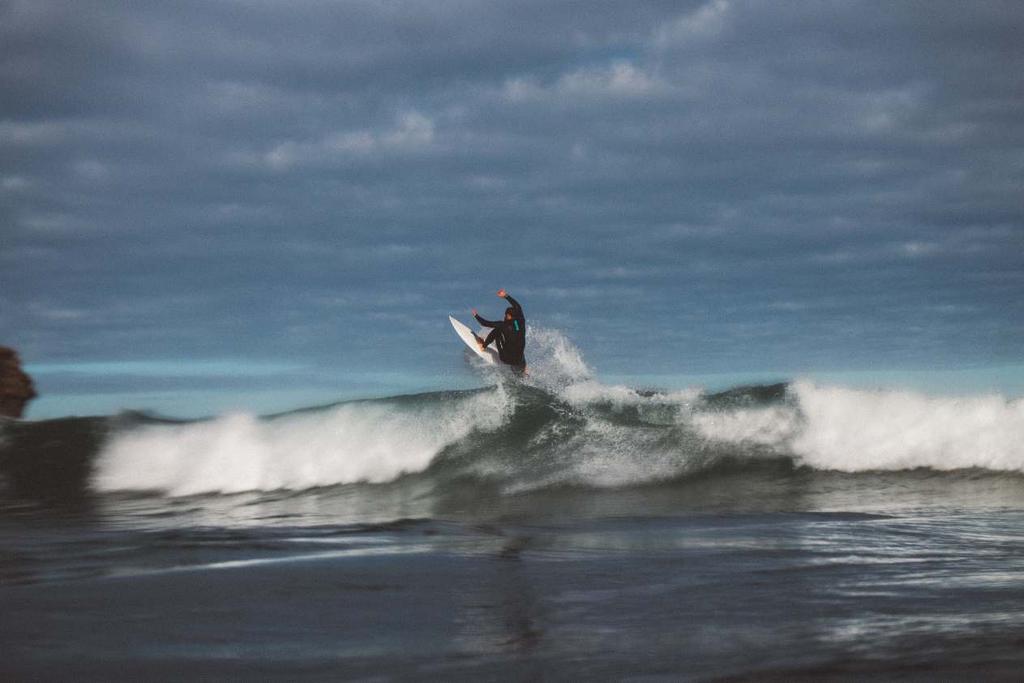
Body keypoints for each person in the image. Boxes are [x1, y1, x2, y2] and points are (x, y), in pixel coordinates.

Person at [472, 289, 526, 371]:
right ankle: (524, 368)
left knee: (497, 331)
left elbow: (485, 323)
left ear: (508, 315)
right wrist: (506, 296)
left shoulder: (502, 325)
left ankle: (483, 346)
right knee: (519, 342)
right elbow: (518, 307)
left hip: (506, 359)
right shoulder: (521, 322)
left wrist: (476, 315)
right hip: (519, 360)